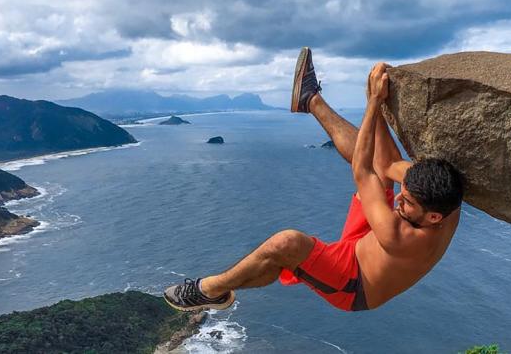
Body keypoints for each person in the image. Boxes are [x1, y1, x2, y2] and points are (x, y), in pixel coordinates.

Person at [163, 47, 463, 312]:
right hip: (367, 243)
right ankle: (310, 99)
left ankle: (211, 290)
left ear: (434, 216)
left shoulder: (400, 236)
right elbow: (387, 165)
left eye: (407, 202)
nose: (399, 198)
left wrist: (373, 103)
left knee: (286, 244)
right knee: (378, 167)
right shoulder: (445, 193)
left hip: (354, 285)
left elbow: (363, 170)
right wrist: (382, 109)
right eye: (404, 193)